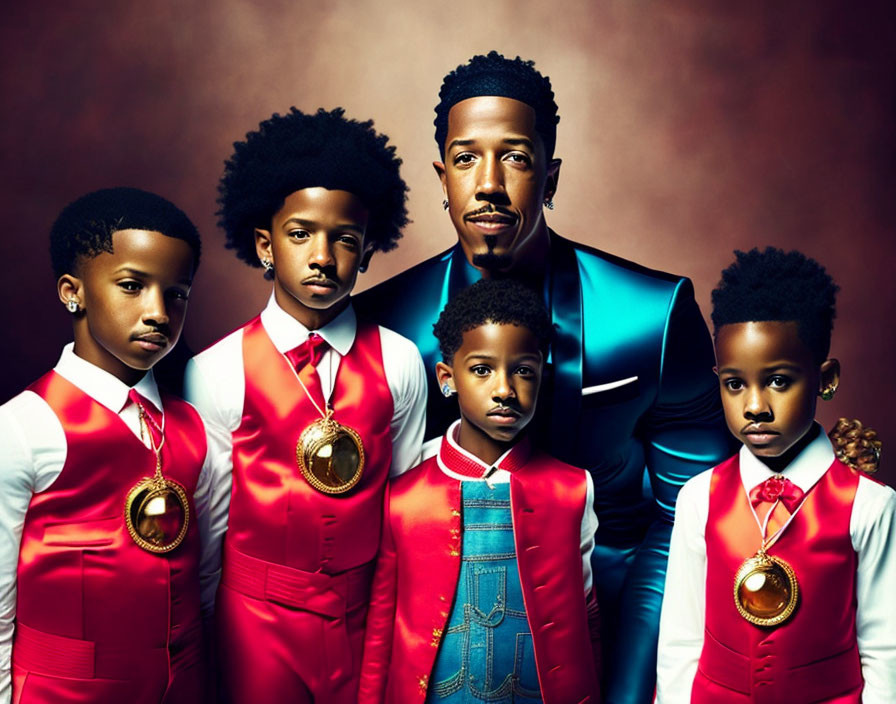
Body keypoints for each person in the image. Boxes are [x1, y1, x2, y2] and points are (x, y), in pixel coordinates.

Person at [353, 51, 733, 702]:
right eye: (467, 159)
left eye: (517, 158)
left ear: (549, 176)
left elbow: (691, 517)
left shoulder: (653, 317)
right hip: (445, 652)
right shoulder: (382, 325)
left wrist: (628, 682)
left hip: (613, 631)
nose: (489, 184)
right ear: (441, 178)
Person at [184, 107, 427, 703]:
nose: (323, 256)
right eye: (300, 235)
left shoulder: (399, 361)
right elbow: (210, 525)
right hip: (254, 622)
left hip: (365, 618)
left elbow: (405, 511)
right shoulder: (216, 369)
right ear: (266, 244)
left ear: (368, 250)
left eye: (345, 239)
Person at [0, 187, 216, 703]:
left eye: (177, 293)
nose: (159, 311)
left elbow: (205, 580)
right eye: (132, 286)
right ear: (73, 292)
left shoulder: (193, 424)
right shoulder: (24, 426)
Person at [656, 248, 896, 702]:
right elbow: (680, 641)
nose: (754, 407)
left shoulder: (870, 505)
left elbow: (885, 650)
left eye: (779, 381)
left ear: (825, 378)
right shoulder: (698, 497)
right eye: (734, 383)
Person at [360, 279, 600, 703]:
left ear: (542, 375)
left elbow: (586, 616)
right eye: (482, 370)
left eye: (523, 371)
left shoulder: (573, 488)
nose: (505, 390)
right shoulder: (402, 497)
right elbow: (382, 630)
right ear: (447, 378)